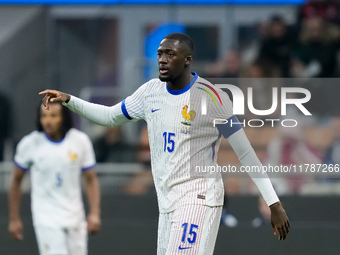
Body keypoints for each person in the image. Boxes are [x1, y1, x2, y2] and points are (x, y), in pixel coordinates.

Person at [40, 33, 290, 255]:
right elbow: (109, 116)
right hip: (167, 202)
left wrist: (273, 203)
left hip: (199, 198)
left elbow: (245, 152)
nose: (162, 59)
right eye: (160, 54)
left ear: (187, 59)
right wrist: (69, 100)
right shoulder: (150, 92)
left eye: (171, 54)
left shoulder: (212, 97)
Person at [8, 101, 101, 255]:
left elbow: (91, 179)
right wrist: (14, 218)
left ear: (64, 117)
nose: (48, 121)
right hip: (46, 218)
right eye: (44, 116)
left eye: (53, 116)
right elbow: (16, 180)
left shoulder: (80, 141)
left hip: (75, 218)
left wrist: (95, 213)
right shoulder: (29, 144)